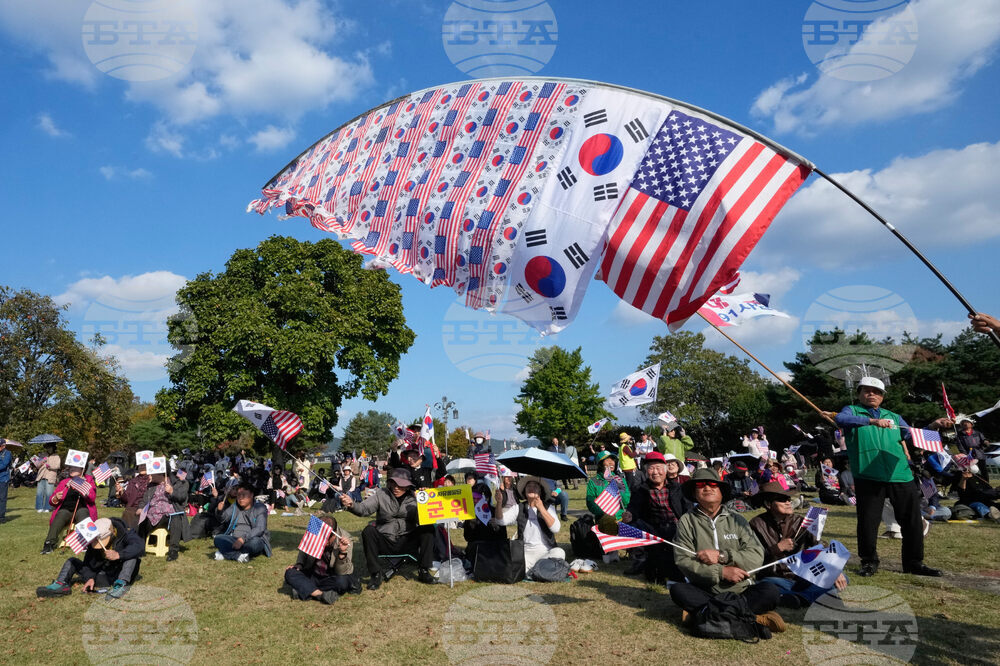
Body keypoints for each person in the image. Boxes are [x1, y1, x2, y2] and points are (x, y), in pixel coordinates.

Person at [835, 375, 950, 577]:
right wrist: (872, 421)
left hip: (900, 474)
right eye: (867, 390)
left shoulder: (895, 417)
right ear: (860, 394)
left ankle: (914, 563)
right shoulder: (851, 411)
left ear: (882, 397)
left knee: (912, 521)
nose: (872, 394)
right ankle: (869, 562)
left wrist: (933, 425)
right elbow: (840, 419)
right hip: (868, 475)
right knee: (868, 523)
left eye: (877, 391)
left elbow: (912, 436)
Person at [669, 468, 785, 634]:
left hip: (742, 590)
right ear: (695, 494)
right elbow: (684, 560)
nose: (707, 488)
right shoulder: (686, 521)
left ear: (722, 492)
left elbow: (756, 555)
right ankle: (755, 619)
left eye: (713, 485)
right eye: (701, 485)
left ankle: (701, 615)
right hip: (705, 590)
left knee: (770, 591)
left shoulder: (737, 520)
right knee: (678, 590)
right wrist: (721, 572)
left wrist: (723, 556)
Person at [749, 483, 848, 608]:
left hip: (803, 576)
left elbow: (820, 546)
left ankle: (800, 597)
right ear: (768, 504)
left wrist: (834, 569)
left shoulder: (801, 522)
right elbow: (750, 558)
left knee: (842, 577)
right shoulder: (756, 524)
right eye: (782, 499)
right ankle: (809, 596)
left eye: (788, 499)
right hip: (775, 577)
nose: (788, 502)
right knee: (765, 586)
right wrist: (776, 549)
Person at [340, 467, 435, 589]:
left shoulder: (416, 497)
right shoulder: (381, 494)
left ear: (407, 486)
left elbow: (425, 518)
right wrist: (352, 505)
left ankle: (424, 571)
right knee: (368, 531)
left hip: (408, 540)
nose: (396, 488)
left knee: (428, 528)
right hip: (385, 540)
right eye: (393, 484)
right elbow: (364, 509)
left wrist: (425, 501)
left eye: (400, 485)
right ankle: (375, 574)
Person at [622, 452, 691, 582]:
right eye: (651, 468)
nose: (655, 472)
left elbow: (688, 508)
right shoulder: (640, 489)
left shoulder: (677, 488)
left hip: (677, 526)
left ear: (665, 470)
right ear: (646, 471)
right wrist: (630, 514)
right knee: (631, 525)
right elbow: (634, 507)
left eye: (658, 468)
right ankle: (640, 559)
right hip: (653, 528)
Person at [36, 517, 144, 600]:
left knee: (131, 556)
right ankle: (61, 584)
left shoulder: (126, 533)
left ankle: (121, 585)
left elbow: (139, 546)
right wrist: (90, 577)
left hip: (117, 573)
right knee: (72, 561)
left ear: (112, 533)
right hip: (100, 575)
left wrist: (118, 555)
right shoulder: (93, 537)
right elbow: (88, 563)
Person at [284, 515, 360, 604]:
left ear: (334, 534)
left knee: (342, 582)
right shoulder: (314, 531)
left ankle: (305, 590)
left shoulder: (346, 539)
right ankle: (319, 594)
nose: (324, 542)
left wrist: (342, 553)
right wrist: (299, 565)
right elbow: (304, 551)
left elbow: (342, 572)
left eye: (327, 539)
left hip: (332, 576)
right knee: (290, 572)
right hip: (314, 574)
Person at [41, 459, 97, 555]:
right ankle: (49, 543)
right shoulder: (64, 482)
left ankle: (85, 543)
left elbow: (92, 497)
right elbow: (52, 501)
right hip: (66, 508)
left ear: (82, 469)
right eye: (71, 467)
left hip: (82, 507)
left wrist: (85, 489)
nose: (72, 469)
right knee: (61, 514)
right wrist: (56, 498)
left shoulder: (88, 480)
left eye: (75, 467)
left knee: (83, 513)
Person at [516, 476, 566, 574]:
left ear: (540, 491)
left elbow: (556, 529)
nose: (531, 488)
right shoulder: (520, 507)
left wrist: (541, 508)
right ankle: (539, 571)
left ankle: (534, 571)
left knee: (559, 552)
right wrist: (500, 503)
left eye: (535, 486)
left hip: (545, 552)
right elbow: (502, 521)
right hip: (526, 552)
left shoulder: (548, 507)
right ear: (524, 491)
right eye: (528, 486)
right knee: (514, 563)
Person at [213, 483, 272, 562]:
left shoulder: (260, 507)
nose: (240, 498)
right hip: (234, 539)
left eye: (244, 495)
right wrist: (219, 511)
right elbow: (223, 519)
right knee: (218, 539)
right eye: (238, 495)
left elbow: (260, 528)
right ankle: (238, 556)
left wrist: (242, 539)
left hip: (251, 539)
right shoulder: (235, 506)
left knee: (255, 544)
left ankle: (226, 552)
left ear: (251, 495)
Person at [955, 417, 990, 481]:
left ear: (971, 424)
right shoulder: (960, 435)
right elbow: (960, 445)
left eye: (967, 422)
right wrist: (965, 454)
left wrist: (985, 442)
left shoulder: (977, 433)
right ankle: (974, 486)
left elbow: (983, 440)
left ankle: (987, 485)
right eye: (963, 423)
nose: (965, 423)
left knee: (984, 471)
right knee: (972, 471)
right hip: (969, 455)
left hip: (979, 454)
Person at [35, 443, 60, 513]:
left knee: (49, 493)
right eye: (47, 447)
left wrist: (49, 466)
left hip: (50, 476)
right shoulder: (43, 455)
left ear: (53, 448)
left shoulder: (56, 456)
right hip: (41, 475)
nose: (48, 449)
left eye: (50, 447)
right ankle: (39, 507)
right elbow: (37, 465)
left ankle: (47, 507)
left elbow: (57, 466)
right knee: (39, 492)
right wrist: (41, 462)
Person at [0, 439, 11, 523]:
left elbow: (4, 465)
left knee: (2, 498)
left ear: (3, 446)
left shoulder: (7, 453)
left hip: (3, 478)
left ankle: (1, 517)